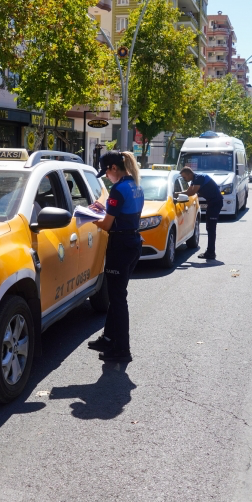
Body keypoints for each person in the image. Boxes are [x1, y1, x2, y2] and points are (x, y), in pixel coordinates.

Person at [86, 151, 144, 363]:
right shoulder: (135, 185)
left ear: (113, 169)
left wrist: (89, 217)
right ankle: (109, 338)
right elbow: (123, 214)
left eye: (107, 173)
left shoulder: (119, 189)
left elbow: (107, 224)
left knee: (118, 299)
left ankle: (122, 349)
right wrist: (104, 209)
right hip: (132, 243)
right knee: (117, 294)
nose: (107, 177)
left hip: (120, 246)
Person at [180, 167, 222, 261]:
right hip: (212, 203)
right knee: (209, 228)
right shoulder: (194, 179)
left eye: (184, 177)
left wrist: (176, 194)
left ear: (189, 174)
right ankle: (210, 251)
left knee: (211, 228)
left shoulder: (199, 177)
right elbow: (189, 191)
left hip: (216, 203)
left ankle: (211, 253)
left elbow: (191, 192)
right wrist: (181, 193)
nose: (184, 179)